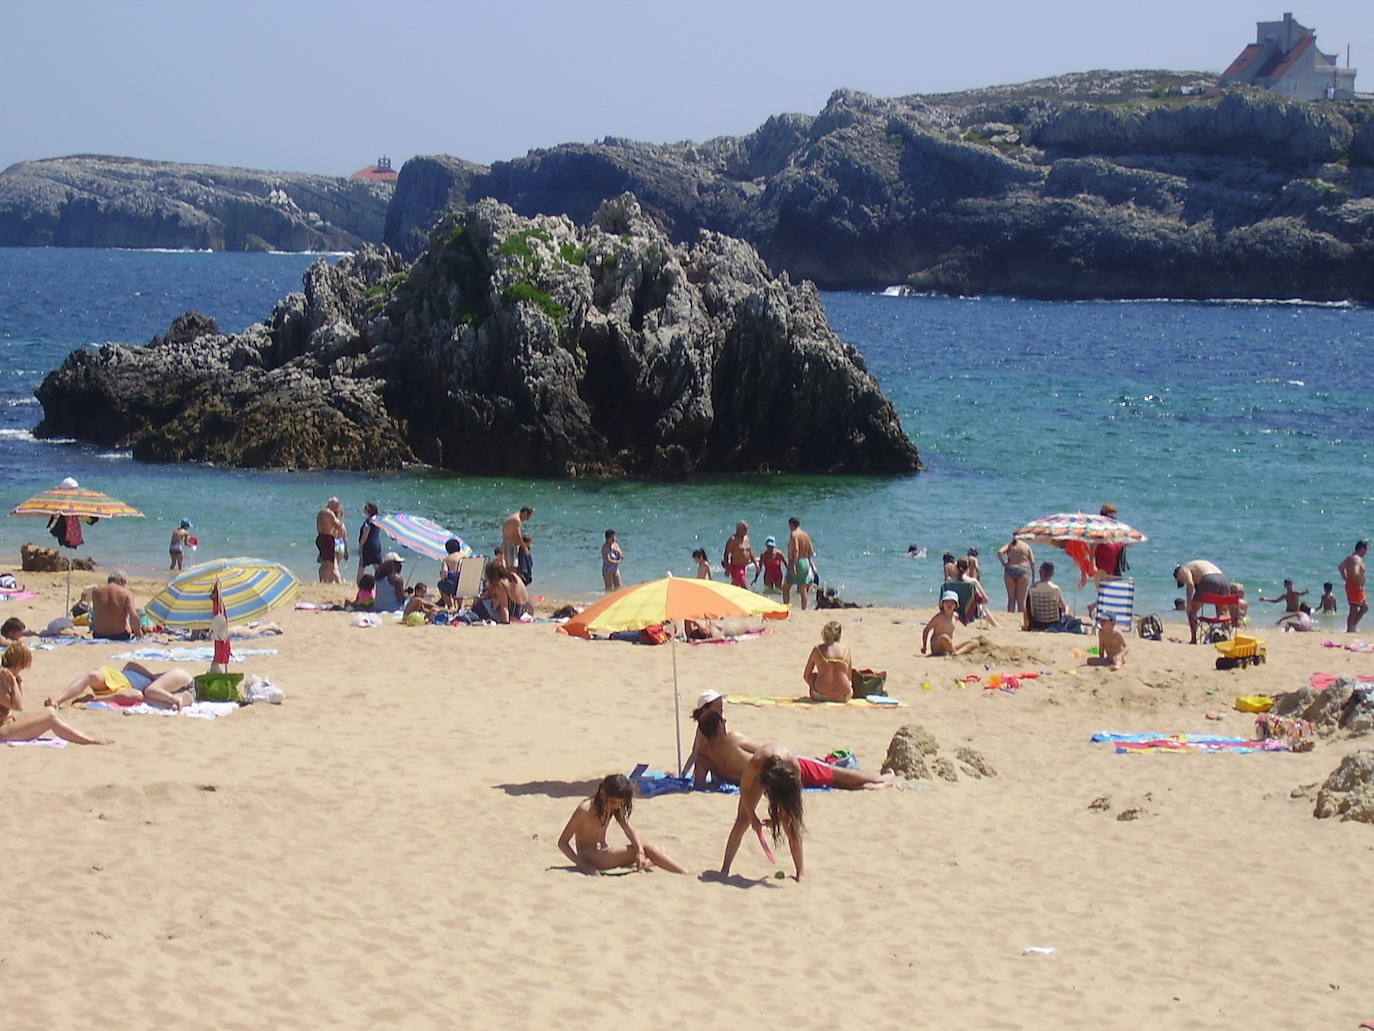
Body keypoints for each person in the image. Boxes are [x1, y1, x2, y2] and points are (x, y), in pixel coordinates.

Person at [719, 743, 892, 882]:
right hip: (760, 774)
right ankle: (725, 869)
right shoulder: (757, 761)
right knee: (742, 820)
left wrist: (778, 818)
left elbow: (791, 801)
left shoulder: (793, 765)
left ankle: (800, 872)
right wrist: (752, 816)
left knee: (791, 823)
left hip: (783, 778)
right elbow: (744, 788)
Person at [558, 774, 686, 875]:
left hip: (603, 853)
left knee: (643, 849)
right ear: (603, 794)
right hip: (589, 855)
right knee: (649, 848)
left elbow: (629, 830)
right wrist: (581, 864)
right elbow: (562, 842)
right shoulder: (585, 810)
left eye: (619, 804)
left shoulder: (614, 808)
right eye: (613, 802)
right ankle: (683, 873)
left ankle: (652, 860)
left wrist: (639, 851)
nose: (616, 806)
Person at [1, 642, 111, 745]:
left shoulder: (8, 677)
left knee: (49, 711)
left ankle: (86, 739)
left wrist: (18, 682)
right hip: (3, 730)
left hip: (10, 722)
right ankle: (88, 740)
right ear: (19, 664)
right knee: (50, 718)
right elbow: (18, 706)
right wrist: (13, 682)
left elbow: (18, 701)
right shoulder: (3, 681)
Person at [50, 659, 195, 712]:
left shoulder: (153, 689)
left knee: (139, 696)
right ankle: (58, 700)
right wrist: (151, 675)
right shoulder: (153, 680)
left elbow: (143, 696)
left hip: (125, 688)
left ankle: (92, 699)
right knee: (92, 675)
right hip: (118, 677)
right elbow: (130, 664)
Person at [1174, 559, 1232, 644]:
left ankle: (1193, 639)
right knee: (1223, 613)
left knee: (1191, 612)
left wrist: (1189, 604)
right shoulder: (1197, 565)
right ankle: (1226, 636)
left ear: (1178, 576)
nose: (1183, 582)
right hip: (1223, 579)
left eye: (1181, 581)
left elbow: (1190, 584)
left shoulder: (1183, 569)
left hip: (1209, 579)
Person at [681, 689, 728, 781]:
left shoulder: (720, 723)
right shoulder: (703, 728)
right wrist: (683, 773)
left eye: (721, 706)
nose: (721, 709)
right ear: (706, 709)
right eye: (718, 706)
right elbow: (695, 752)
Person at [803, 621, 852, 702]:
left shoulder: (817, 649)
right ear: (839, 635)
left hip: (821, 695)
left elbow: (806, 676)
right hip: (843, 696)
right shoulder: (846, 650)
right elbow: (849, 677)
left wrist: (816, 683)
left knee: (815, 675)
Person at [90, 571, 143, 641]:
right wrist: (138, 633)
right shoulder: (126, 593)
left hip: (99, 635)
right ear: (120, 581)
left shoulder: (95, 592)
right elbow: (134, 616)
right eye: (125, 584)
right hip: (119, 636)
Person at [922, 591, 979, 656]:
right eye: (947, 602)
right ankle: (954, 652)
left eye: (952, 602)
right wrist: (924, 646)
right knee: (944, 637)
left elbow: (966, 619)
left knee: (975, 642)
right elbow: (926, 630)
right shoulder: (938, 618)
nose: (949, 604)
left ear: (955, 605)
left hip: (948, 647)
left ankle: (957, 653)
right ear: (942, 604)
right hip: (936, 647)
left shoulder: (956, 616)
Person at [1024, 562, 1070, 631]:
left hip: (1037, 623)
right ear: (1052, 574)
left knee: (1028, 603)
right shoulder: (1055, 589)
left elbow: (1027, 609)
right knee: (1066, 607)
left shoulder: (1032, 588)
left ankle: (1026, 626)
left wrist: (1026, 625)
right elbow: (1063, 607)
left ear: (1040, 572)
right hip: (1053, 624)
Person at [996, 536, 1035, 613]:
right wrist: (1033, 577)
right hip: (1023, 571)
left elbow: (999, 552)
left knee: (1011, 600)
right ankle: (1021, 620)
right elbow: (1032, 562)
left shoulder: (1010, 545)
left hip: (1010, 570)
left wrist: (1003, 563)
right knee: (1021, 602)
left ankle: (1009, 618)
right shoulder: (1026, 546)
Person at [784, 517, 816, 610]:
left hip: (796, 562)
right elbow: (811, 551)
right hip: (805, 561)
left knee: (785, 588)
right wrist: (811, 565)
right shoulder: (805, 535)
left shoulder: (794, 535)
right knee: (802, 588)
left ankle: (786, 608)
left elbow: (796, 550)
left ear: (791, 525)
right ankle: (804, 609)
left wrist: (793, 565)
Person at [1339, 540, 1368, 633]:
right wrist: (1359, 581)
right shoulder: (1357, 559)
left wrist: (1346, 578)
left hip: (1351, 585)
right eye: (1365, 550)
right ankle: (1351, 628)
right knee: (1354, 609)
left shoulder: (1349, 558)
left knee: (1363, 608)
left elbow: (1340, 567)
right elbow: (1355, 572)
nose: (1366, 552)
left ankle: (1352, 626)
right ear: (1361, 549)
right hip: (1355, 586)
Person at [315, 498, 347, 583]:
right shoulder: (330, 513)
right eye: (337, 506)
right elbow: (338, 526)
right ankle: (338, 582)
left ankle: (323, 581)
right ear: (333, 506)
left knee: (324, 563)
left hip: (320, 537)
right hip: (327, 539)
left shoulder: (321, 512)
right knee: (331, 565)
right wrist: (343, 516)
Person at [1094, 503, 1126, 578]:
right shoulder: (1097, 533)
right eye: (1110, 519)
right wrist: (1092, 567)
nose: (1112, 522)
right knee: (1105, 589)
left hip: (1114, 571)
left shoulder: (1116, 533)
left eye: (1114, 519)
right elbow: (1091, 552)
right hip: (1101, 570)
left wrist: (1124, 544)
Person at [723, 521, 756, 588]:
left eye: (747, 529)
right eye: (745, 529)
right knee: (744, 587)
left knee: (734, 587)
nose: (746, 531)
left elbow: (749, 552)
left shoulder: (746, 538)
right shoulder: (733, 540)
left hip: (743, 567)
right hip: (736, 568)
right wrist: (727, 568)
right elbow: (726, 554)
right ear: (739, 529)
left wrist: (755, 564)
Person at [356, 502, 383, 583]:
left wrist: (360, 546)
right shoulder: (377, 520)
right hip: (376, 545)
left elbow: (365, 535)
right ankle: (381, 586)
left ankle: (360, 588)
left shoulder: (368, 521)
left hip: (368, 546)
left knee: (361, 568)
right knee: (378, 570)